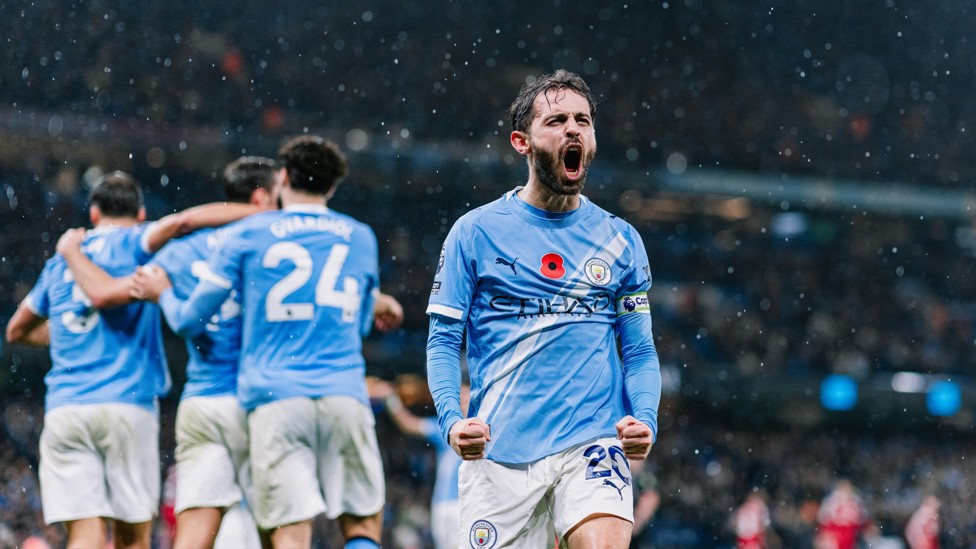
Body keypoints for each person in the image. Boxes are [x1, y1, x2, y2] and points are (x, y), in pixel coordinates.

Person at [425, 69, 662, 548]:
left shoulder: (620, 241)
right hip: (499, 451)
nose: (573, 129)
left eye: (583, 120)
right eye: (556, 120)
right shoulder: (475, 233)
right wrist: (452, 421)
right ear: (522, 142)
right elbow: (444, 341)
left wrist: (646, 417)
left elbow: (638, 350)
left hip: (592, 443)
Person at [133, 135, 388, 549]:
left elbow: (188, 319)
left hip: (266, 397)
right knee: (360, 525)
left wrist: (163, 291)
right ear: (332, 186)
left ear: (285, 176)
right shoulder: (359, 236)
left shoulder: (248, 235)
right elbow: (359, 325)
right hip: (341, 391)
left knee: (282, 533)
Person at [4, 171, 256, 549]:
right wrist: (263, 214)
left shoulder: (60, 263)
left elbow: (16, 330)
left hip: (66, 408)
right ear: (140, 214)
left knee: (84, 536)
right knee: (132, 537)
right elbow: (183, 222)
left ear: (92, 214)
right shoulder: (137, 243)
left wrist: (70, 336)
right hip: (126, 404)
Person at [369, 377, 466, 549]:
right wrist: (391, 400)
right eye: (460, 399)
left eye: (466, 399)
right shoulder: (445, 429)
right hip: (441, 505)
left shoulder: (483, 432)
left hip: (463, 505)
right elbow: (409, 424)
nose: (462, 403)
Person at [814, 479, 873, 549]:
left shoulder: (856, 502)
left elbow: (863, 520)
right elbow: (823, 520)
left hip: (851, 536)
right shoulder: (831, 502)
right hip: (836, 535)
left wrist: (867, 530)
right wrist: (824, 534)